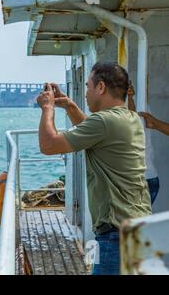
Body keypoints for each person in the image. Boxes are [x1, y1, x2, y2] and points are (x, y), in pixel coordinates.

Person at [36, 62, 152, 275]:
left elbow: (48, 145)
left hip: (116, 235)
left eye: (88, 87)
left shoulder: (105, 121)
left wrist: (47, 108)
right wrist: (70, 105)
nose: (86, 93)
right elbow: (93, 130)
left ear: (101, 87)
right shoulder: (129, 118)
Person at [127, 85, 160, 205]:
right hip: (148, 178)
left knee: (131, 223)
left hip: (139, 181)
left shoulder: (141, 106)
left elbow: (133, 130)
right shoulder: (142, 105)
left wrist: (130, 99)